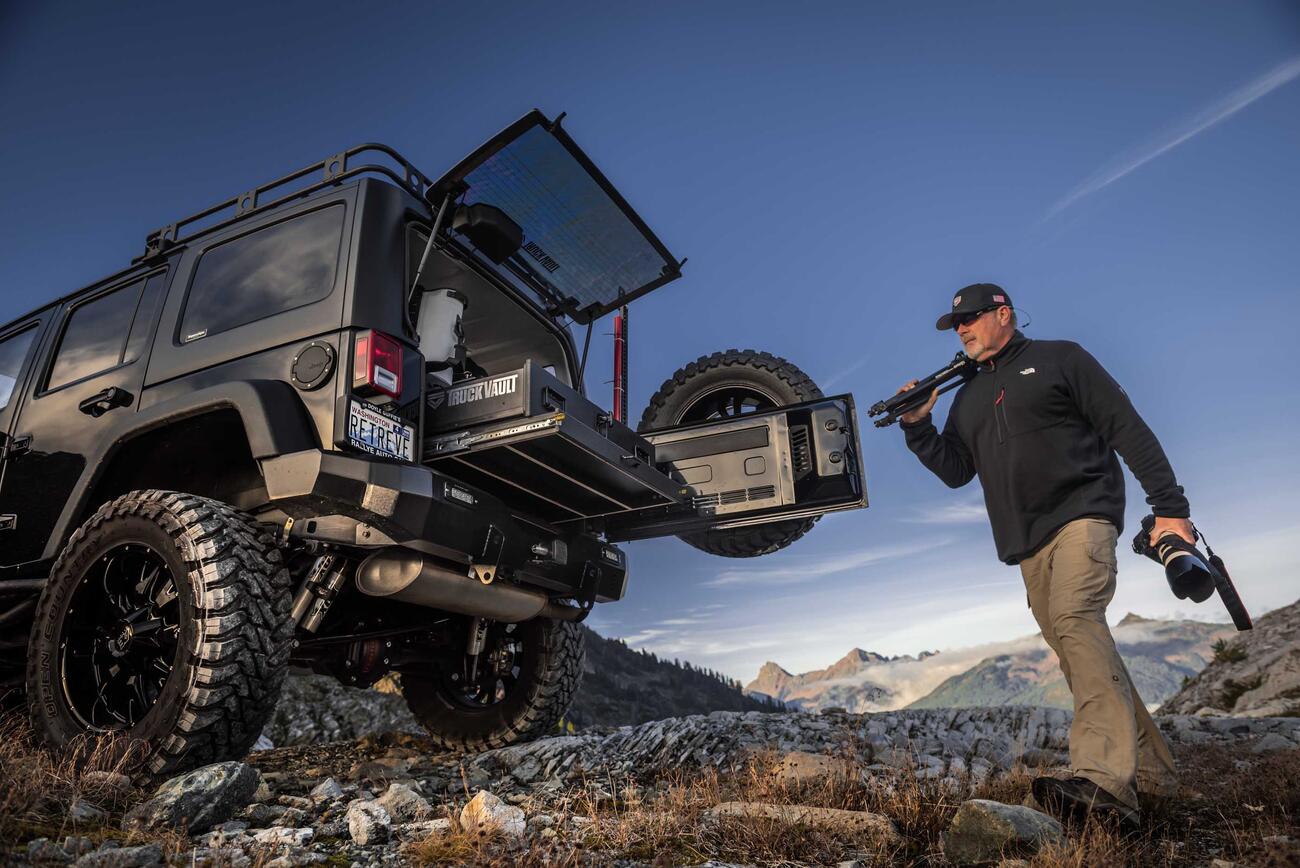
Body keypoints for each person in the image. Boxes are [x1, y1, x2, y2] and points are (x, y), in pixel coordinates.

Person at [896, 282, 1190, 828]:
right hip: (1026, 543)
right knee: (1080, 650)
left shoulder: (1061, 359)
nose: (961, 329)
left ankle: (1103, 783)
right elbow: (957, 471)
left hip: (1083, 515)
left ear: (1003, 314)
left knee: (1078, 622)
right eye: (955, 324)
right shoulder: (966, 398)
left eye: (971, 318)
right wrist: (918, 428)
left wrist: (1170, 508)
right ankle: (1152, 775)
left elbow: (1127, 428)